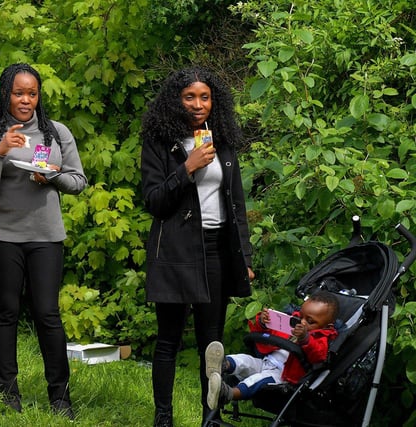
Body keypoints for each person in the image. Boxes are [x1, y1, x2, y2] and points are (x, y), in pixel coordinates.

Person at [140, 66, 256, 427]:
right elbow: (154, 201)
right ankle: (164, 417)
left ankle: (212, 417)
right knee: (169, 340)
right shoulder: (160, 142)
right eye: (189, 97)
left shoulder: (223, 141)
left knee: (212, 343)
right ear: (176, 100)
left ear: (214, 100)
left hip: (216, 250)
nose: (197, 104)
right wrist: (186, 167)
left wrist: (245, 257)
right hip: (175, 250)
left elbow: (237, 204)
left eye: (204, 97)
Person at [0, 63, 87, 419]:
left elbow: (78, 181)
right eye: (18, 93)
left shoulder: (57, 133)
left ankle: (60, 398)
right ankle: (8, 395)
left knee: (47, 313)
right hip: (3, 235)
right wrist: (0, 153)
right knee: (5, 312)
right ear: (5, 94)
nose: (25, 100)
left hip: (46, 236)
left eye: (32, 94)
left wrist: (51, 178)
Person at [205, 290, 340, 410]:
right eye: (301, 316)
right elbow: (266, 332)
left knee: (256, 380)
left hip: (282, 375)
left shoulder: (321, 338)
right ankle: (221, 364)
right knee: (244, 360)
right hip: (266, 361)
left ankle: (226, 394)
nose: (302, 322)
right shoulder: (291, 321)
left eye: (310, 321)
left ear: (327, 326)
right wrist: (263, 323)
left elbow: (318, 355)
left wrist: (306, 339)